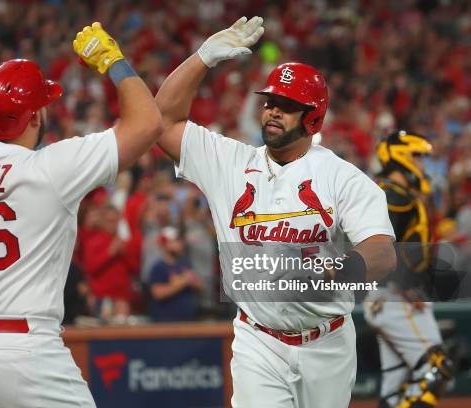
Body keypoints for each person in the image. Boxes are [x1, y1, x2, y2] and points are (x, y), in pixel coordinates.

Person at [0, 22, 162, 407]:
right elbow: (148, 122)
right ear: (34, 117)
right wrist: (114, 61)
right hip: (24, 353)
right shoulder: (52, 168)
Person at [155, 16, 396, 408]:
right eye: (269, 102)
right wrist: (203, 57)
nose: (272, 112)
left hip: (327, 342)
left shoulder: (342, 177)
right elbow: (161, 121)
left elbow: (382, 253)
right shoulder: (229, 162)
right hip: (258, 339)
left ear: (313, 118)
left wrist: (336, 271)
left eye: (286, 106)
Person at [364, 130, 453, 408]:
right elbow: (379, 248)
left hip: (385, 297)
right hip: (395, 296)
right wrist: (405, 285)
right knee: (437, 368)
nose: (423, 164)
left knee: (395, 392)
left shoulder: (393, 193)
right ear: (400, 156)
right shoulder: (393, 195)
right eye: (418, 156)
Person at [148, 226, 203, 322]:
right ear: (165, 244)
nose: (179, 244)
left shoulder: (185, 264)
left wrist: (193, 282)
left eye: (179, 240)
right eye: (174, 241)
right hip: (166, 322)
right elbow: (157, 293)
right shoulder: (159, 267)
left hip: (188, 321)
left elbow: (200, 286)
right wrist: (184, 281)